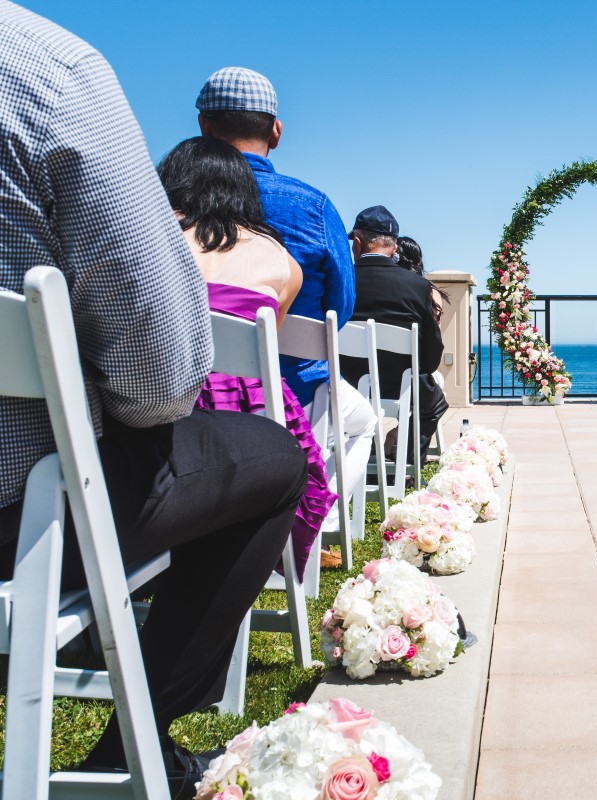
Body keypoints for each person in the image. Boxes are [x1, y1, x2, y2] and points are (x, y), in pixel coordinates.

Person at [0, 5, 307, 796]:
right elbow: (159, 379)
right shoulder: (45, 71)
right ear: (272, 131)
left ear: (202, 125)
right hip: (23, 518)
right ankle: (131, 739)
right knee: (274, 454)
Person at [196, 66, 374, 566]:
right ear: (276, 129)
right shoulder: (312, 206)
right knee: (364, 424)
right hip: (293, 394)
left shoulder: (171, 201)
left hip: (183, 392)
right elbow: (339, 307)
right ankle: (321, 524)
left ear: (204, 127)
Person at [157, 136, 337, 580]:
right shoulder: (278, 261)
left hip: (153, 414)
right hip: (241, 420)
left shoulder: (148, 244)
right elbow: (259, 358)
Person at [340, 207, 447, 463]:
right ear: (394, 247)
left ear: (357, 242)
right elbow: (431, 356)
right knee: (433, 402)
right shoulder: (417, 286)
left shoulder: (341, 281)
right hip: (402, 384)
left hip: (347, 385)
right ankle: (407, 462)